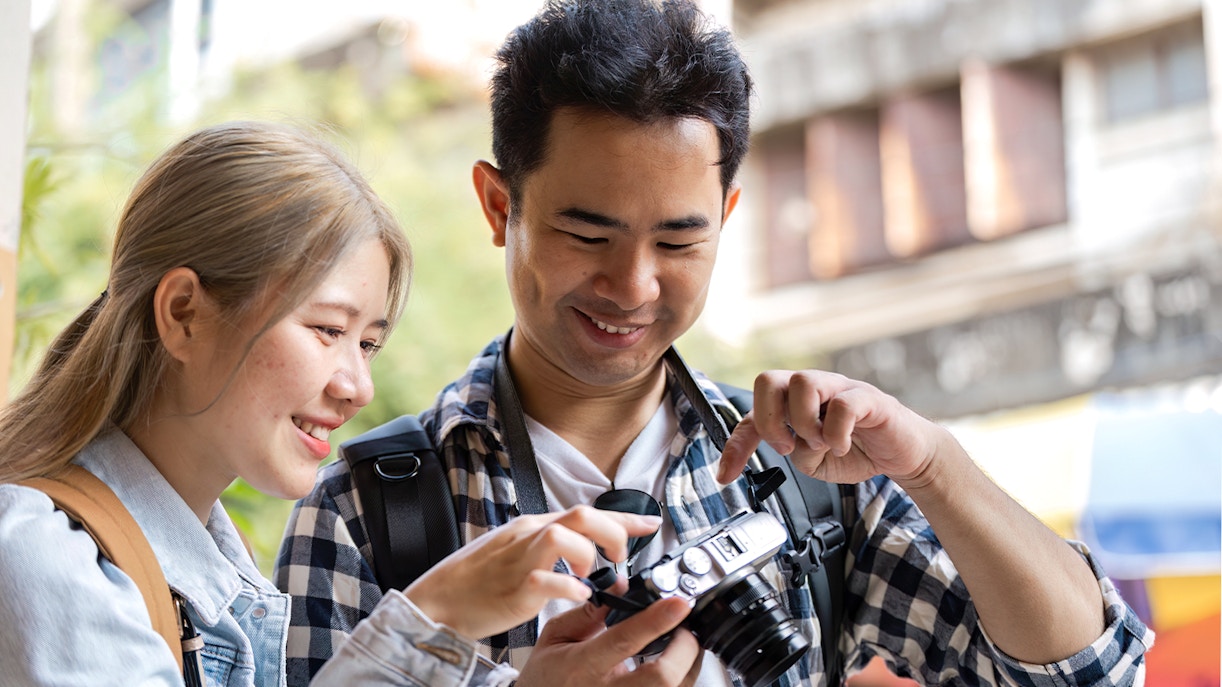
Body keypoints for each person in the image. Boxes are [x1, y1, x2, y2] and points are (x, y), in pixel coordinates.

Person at [277, 1, 1155, 685]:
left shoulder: (809, 482)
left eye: (677, 241)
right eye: (589, 234)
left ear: (727, 219)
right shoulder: (369, 511)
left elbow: (1091, 670)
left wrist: (930, 464)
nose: (633, 285)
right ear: (500, 206)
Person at [0, 120, 670, 687]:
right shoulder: (44, 560)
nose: (358, 386)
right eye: (327, 329)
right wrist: (428, 619)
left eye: (369, 343)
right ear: (183, 312)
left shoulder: (218, 585)